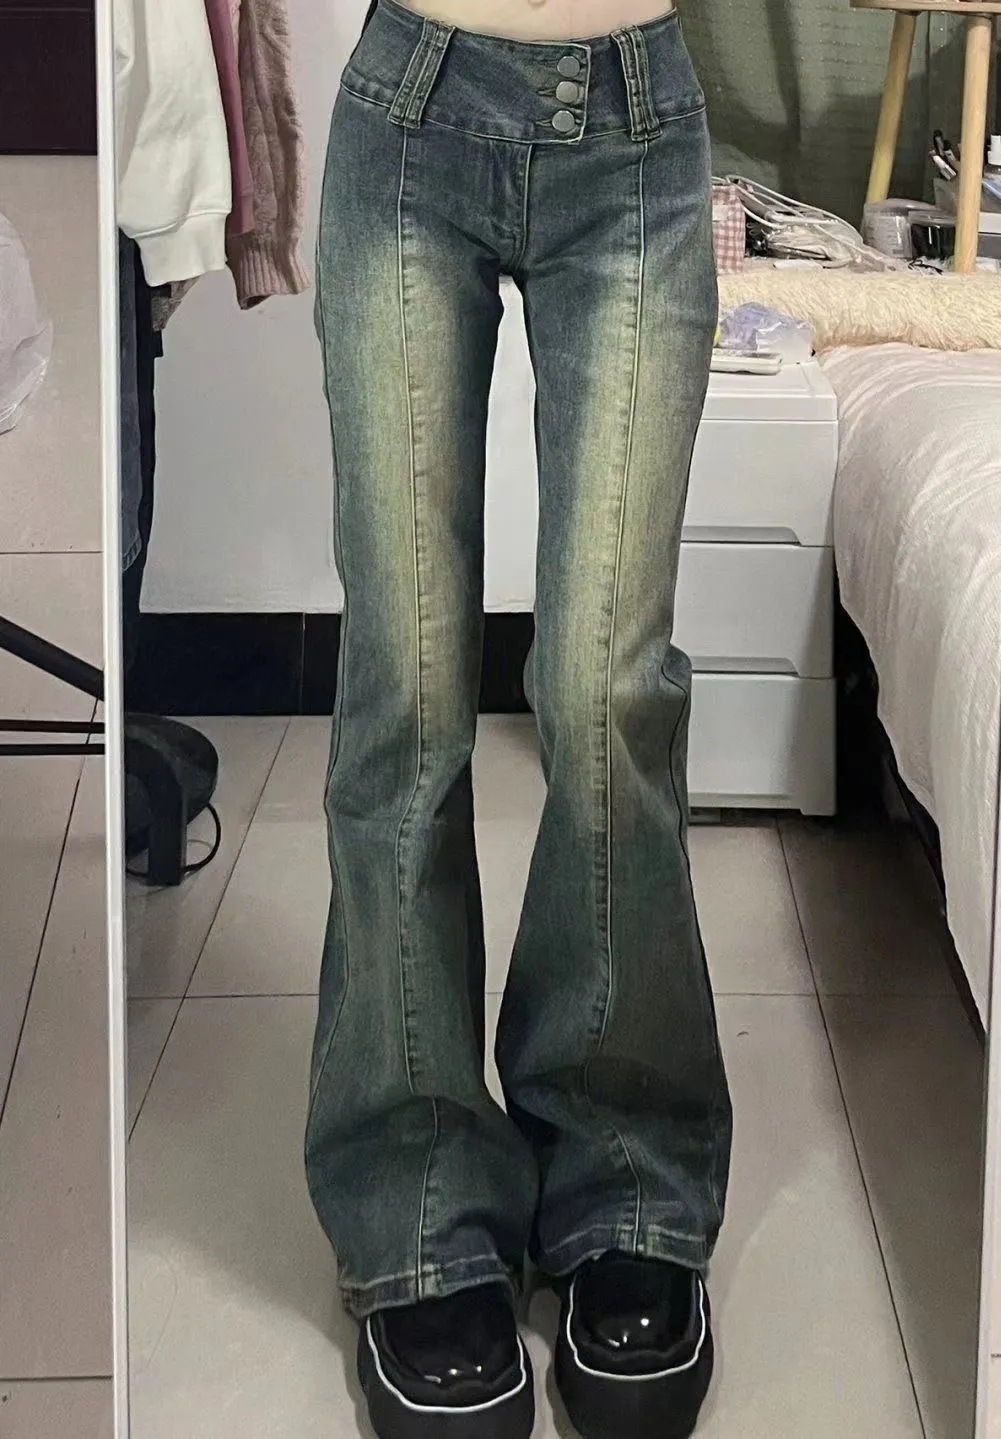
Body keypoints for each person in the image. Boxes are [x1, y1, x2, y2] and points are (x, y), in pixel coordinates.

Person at [304, 2, 733, 1434]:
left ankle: (628, 1176)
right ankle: (416, 1189)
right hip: (410, 106)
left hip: (637, 122)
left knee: (610, 689)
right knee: (409, 690)